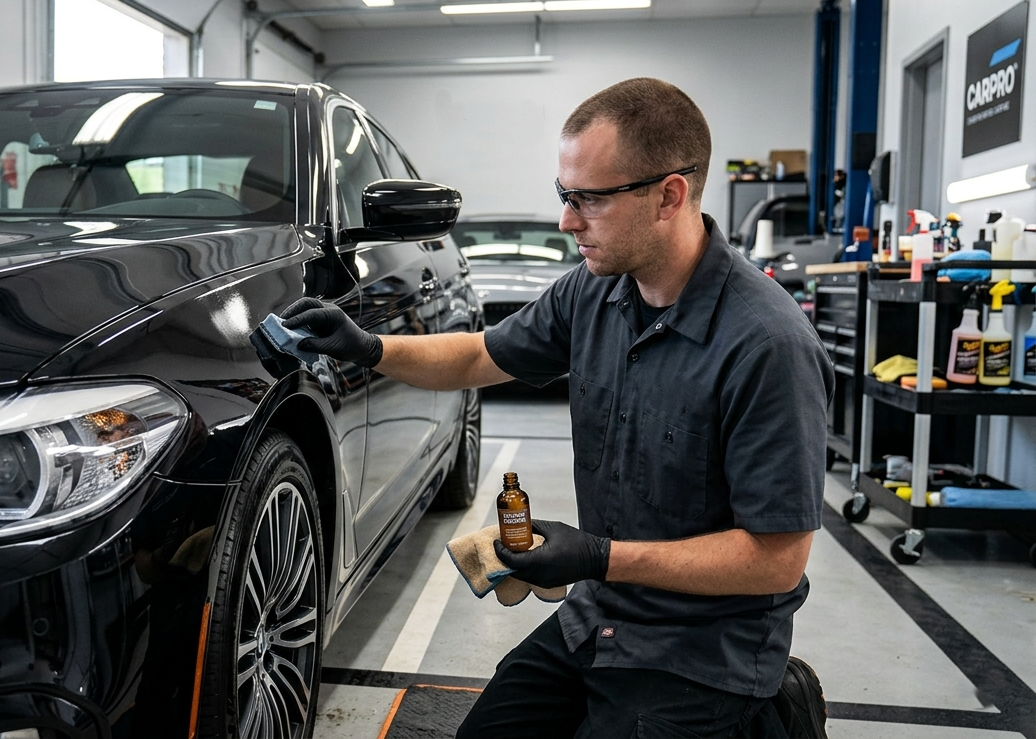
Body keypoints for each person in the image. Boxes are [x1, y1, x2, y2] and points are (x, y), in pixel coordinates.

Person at [282, 77, 833, 738]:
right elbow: (477, 357)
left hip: (703, 653)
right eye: (563, 196)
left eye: (589, 200)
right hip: (599, 619)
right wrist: (367, 346)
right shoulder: (593, 295)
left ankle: (768, 715)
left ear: (669, 196)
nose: (568, 221)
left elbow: (776, 559)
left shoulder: (766, 345)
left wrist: (596, 556)